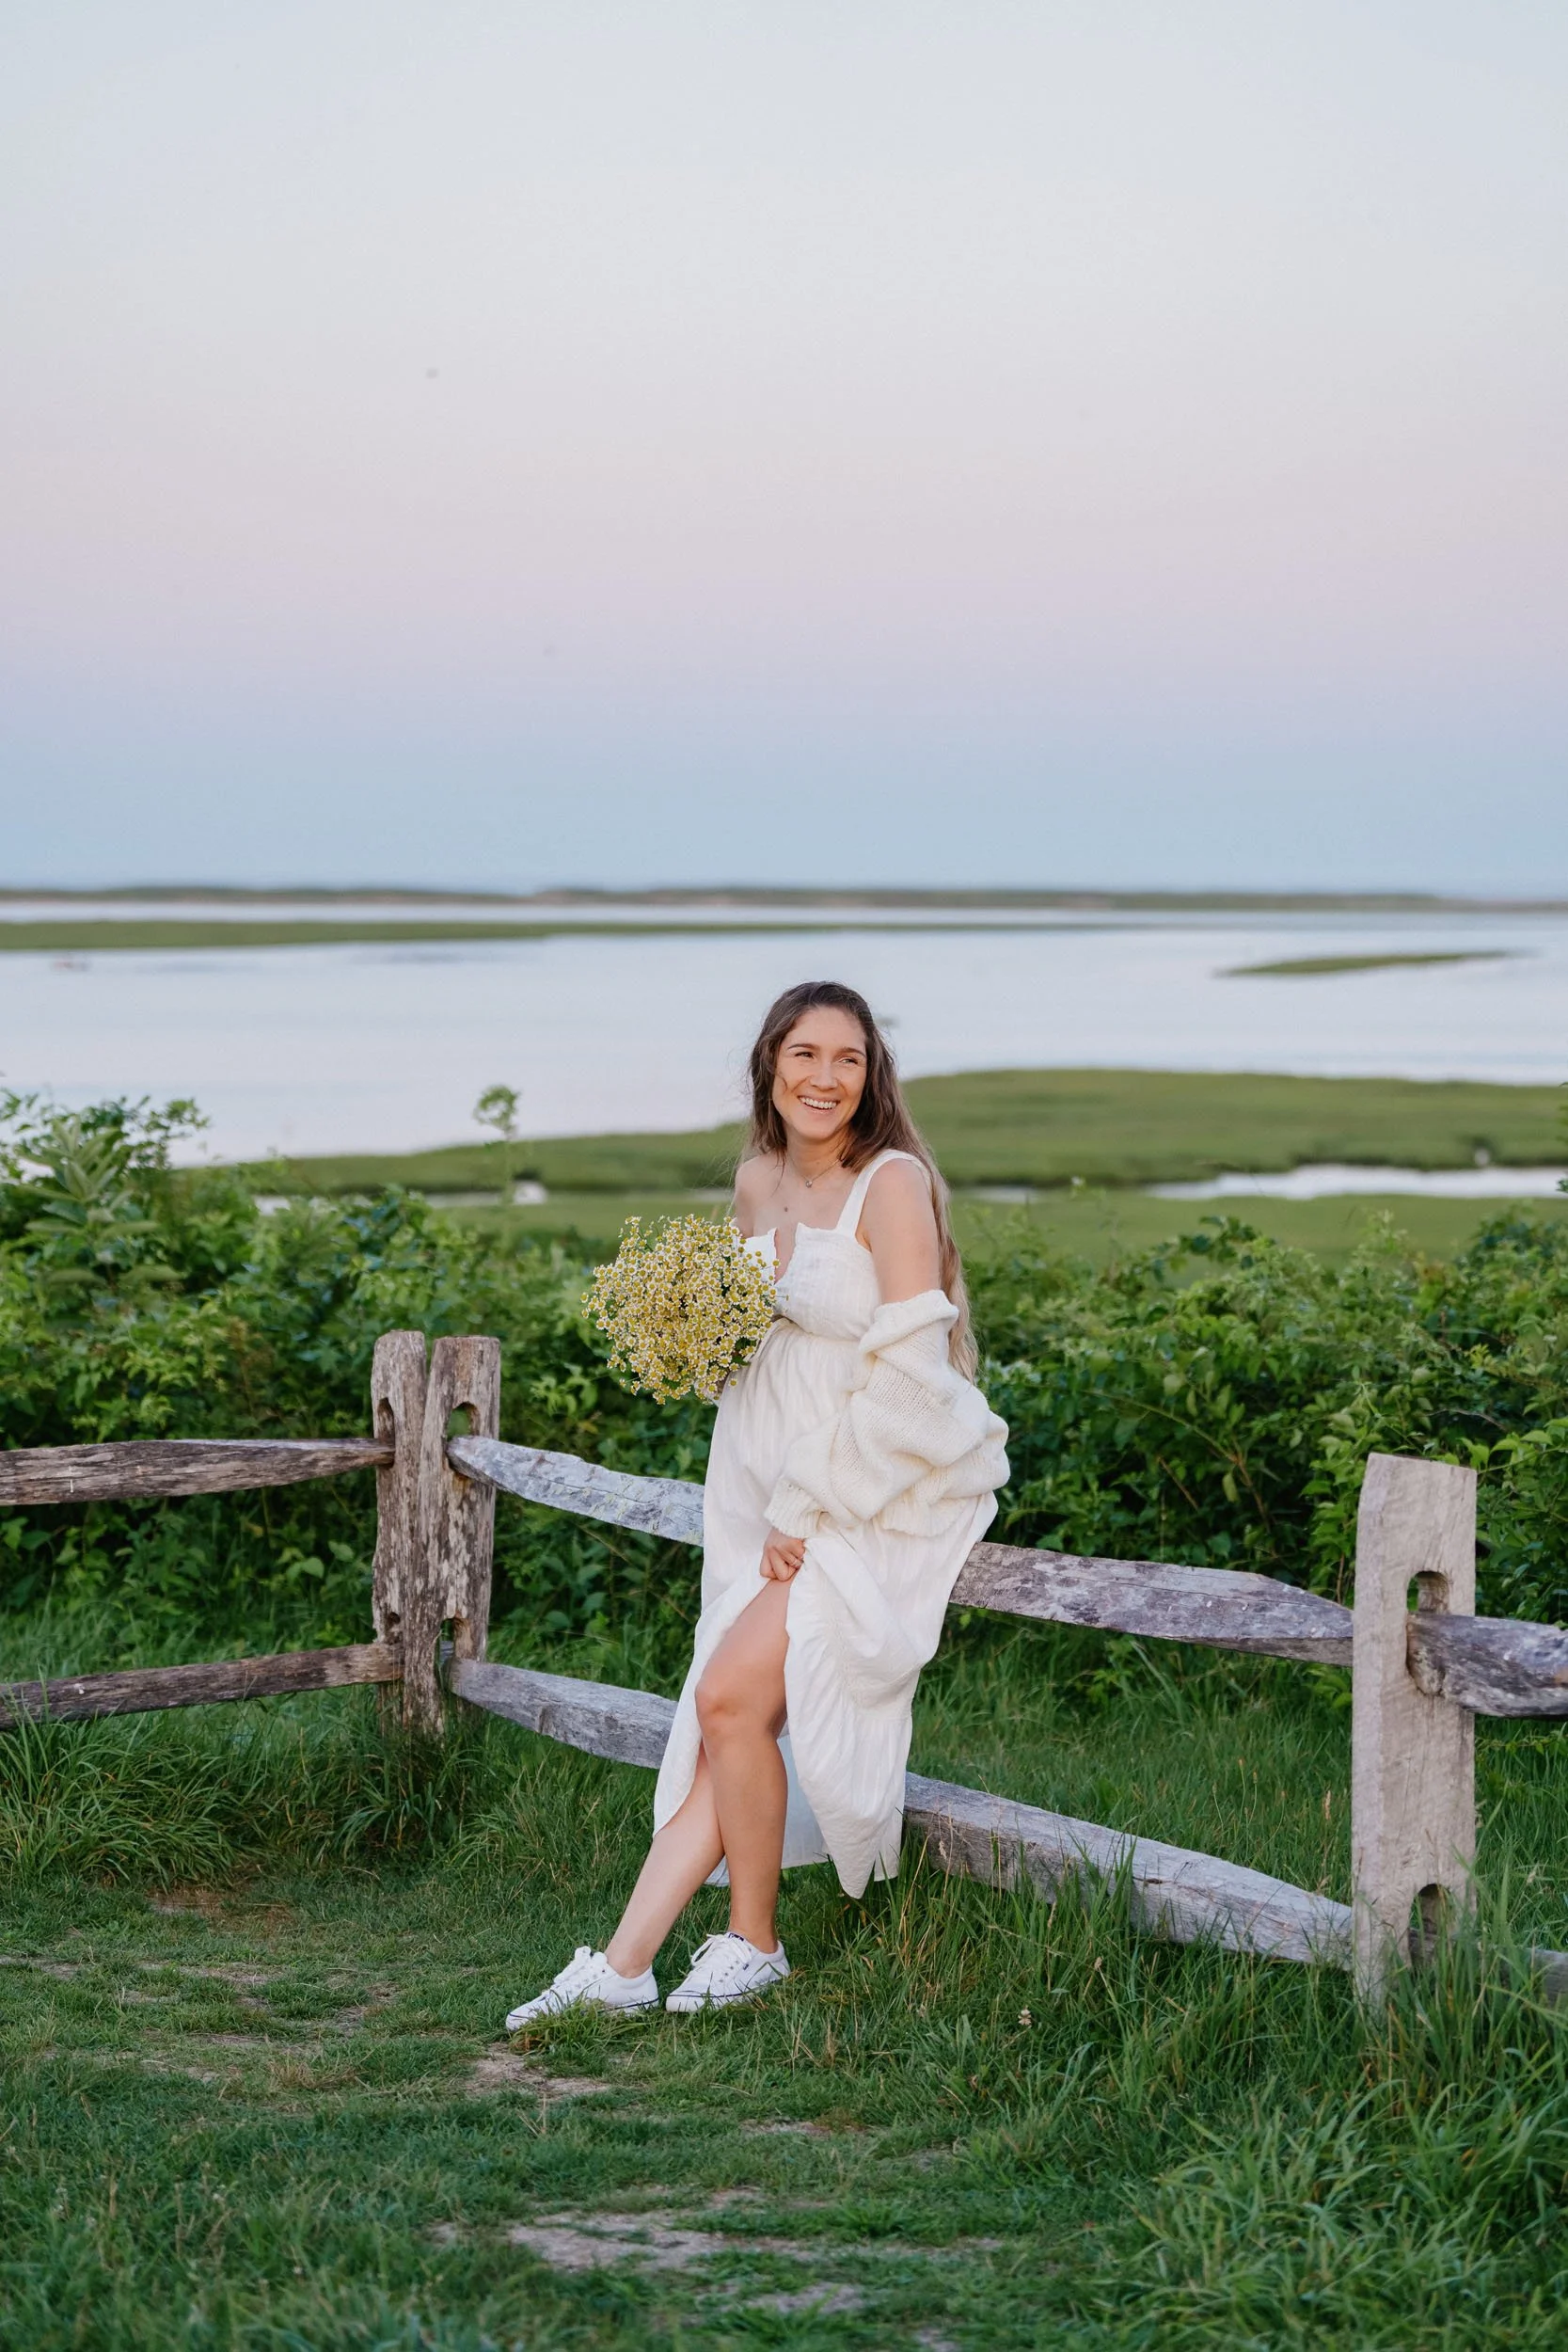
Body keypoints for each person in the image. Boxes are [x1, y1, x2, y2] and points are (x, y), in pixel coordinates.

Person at [505, 980, 1008, 2024]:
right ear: (769, 1064)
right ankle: (633, 1964)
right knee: (729, 1712)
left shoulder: (893, 1182)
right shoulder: (753, 1180)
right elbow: (758, 1349)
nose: (825, 1079)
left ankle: (739, 1942)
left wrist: (813, 1502)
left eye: (848, 1060)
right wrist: (683, 1336)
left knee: (731, 1699)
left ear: (870, 1077)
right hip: (753, 1484)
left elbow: (914, 1379)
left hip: (866, 1487)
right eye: (805, 1055)